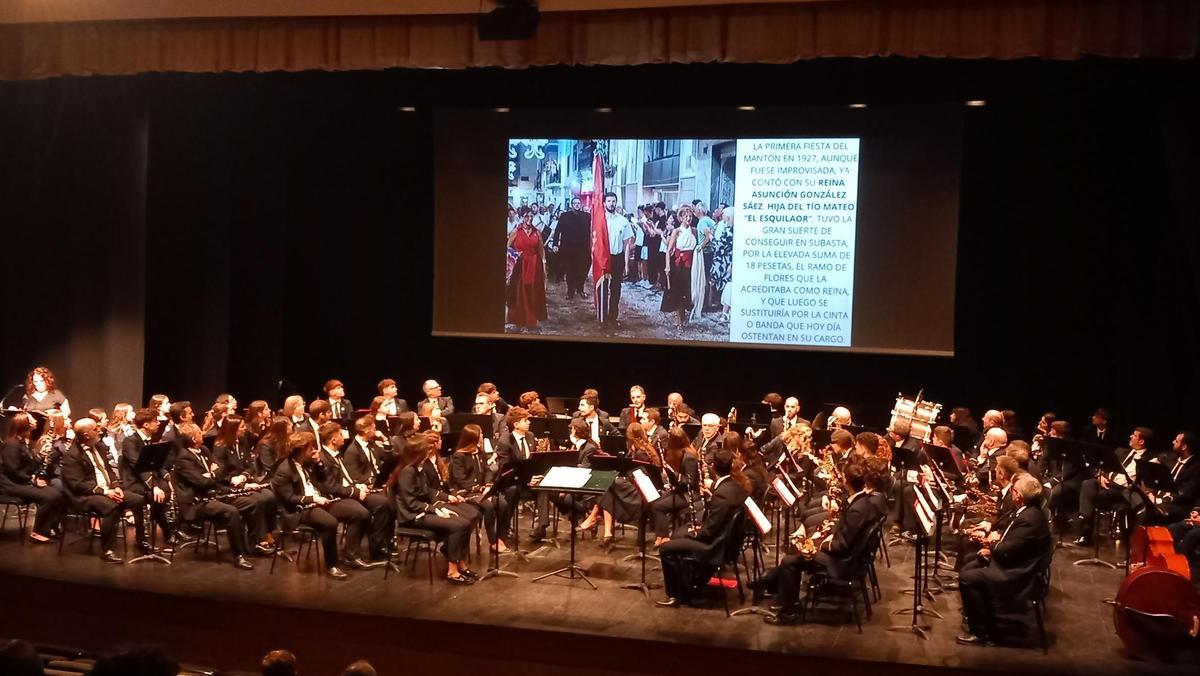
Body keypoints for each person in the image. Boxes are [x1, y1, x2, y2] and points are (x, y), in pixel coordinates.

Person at [759, 457, 885, 624]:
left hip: (843, 562)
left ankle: (788, 611)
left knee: (790, 560)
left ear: (847, 482)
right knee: (795, 555)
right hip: (849, 556)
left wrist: (819, 544)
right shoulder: (864, 502)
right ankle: (781, 595)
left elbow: (842, 546)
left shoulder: (857, 509)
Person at [956, 474, 1052, 646]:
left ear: (1018, 496)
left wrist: (992, 544)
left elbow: (1007, 550)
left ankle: (982, 633)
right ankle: (979, 615)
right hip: (1016, 563)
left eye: (1014, 490)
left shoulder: (1029, 520)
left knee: (966, 578)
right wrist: (993, 547)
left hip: (1018, 574)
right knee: (971, 565)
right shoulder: (1029, 511)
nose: (1012, 493)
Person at [656, 448, 749, 607]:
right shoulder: (737, 487)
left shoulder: (722, 494)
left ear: (713, 467)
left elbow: (709, 532)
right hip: (727, 542)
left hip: (714, 546)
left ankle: (676, 595)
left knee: (666, 547)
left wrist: (696, 532)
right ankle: (690, 583)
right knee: (681, 533)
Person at [271, 430, 364, 579]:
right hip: (299, 509)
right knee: (330, 522)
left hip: (319, 501)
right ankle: (332, 564)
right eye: (311, 448)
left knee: (358, 513)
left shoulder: (307, 462)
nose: (315, 450)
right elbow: (289, 498)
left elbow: (322, 480)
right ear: (301, 450)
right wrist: (313, 499)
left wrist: (319, 463)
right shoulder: (284, 470)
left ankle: (351, 556)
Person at [387, 434, 476, 584]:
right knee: (457, 526)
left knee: (466, 522)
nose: (429, 452)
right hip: (411, 517)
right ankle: (452, 571)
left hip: (421, 510)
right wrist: (435, 510)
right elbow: (411, 503)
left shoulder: (417, 468)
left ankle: (458, 560)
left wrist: (444, 499)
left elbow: (427, 491)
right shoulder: (408, 471)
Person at [171, 422, 257, 570]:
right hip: (196, 503)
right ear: (193, 438)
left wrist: (211, 473)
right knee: (232, 511)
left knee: (251, 502)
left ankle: (250, 544)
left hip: (213, 494)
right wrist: (212, 474)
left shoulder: (204, 450)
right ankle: (238, 555)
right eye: (199, 433)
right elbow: (202, 482)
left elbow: (221, 469)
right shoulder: (183, 458)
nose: (202, 434)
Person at [59, 417, 143, 562]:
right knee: (112, 506)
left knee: (139, 500)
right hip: (84, 496)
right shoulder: (71, 456)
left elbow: (109, 470)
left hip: (106, 490)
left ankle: (141, 540)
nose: (99, 431)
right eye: (95, 429)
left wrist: (116, 486)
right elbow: (78, 485)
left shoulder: (99, 447)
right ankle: (107, 550)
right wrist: (105, 492)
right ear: (86, 435)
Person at [314, 422, 388, 566]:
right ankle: (351, 555)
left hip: (347, 492)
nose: (344, 437)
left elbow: (345, 478)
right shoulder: (322, 459)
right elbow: (330, 487)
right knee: (360, 513)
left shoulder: (337, 454)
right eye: (341, 434)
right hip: (333, 499)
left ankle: (376, 548)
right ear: (333, 440)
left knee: (382, 503)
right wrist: (354, 492)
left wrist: (357, 485)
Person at [1075, 427, 1152, 546]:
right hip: (1109, 483)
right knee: (1088, 483)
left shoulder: (1150, 459)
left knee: (1097, 495)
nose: (1131, 436)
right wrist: (1101, 476)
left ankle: (1085, 528)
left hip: (1125, 490)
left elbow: (1143, 482)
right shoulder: (1121, 451)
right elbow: (1105, 467)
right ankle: (1084, 521)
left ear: (1141, 442)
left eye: (1135, 435)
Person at [119, 407, 180, 552]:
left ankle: (167, 532)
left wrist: (167, 477)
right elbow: (139, 466)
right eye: (155, 421)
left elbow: (156, 464)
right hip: (133, 482)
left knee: (165, 491)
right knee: (151, 495)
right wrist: (153, 485)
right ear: (146, 425)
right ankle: (141, 539)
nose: (159, 424)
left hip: (145, 480)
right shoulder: (130, 442)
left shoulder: (149, 441)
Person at [449, 423, 508, 551]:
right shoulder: (459, 455)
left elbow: (487, 471)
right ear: (472, 438)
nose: (482, 436)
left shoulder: (480, 452)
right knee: (488, 506)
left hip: (481, 489)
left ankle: (501, 537)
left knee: (502, 504)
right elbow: (460, 479)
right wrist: (479, 489)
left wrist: (487, 485)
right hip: (465, 491)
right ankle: (493, 542)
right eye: (480, 434)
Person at [651, 426, 703, 548]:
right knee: (655, 500)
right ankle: (660, 534)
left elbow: (691, 482)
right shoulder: (681, 453)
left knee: (659, 507)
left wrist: (674, 475)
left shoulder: (689, 457)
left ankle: (664, 537)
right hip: (681, 491)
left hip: (690, 495)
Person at [506, 205, 548, 330]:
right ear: (521, 217)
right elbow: (508, 248)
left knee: (532, 291)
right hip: (520, 266)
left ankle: (532, 317)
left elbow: (541, 251)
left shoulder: (537, 232)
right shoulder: (516, 232)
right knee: (520, 292)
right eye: (526, 217)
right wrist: (509, 266)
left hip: (534, 265)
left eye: (531, 216)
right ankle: (519, 319)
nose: (529, 219)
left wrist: (544, 267)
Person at [660, 205, 699, 329]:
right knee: (678, 292)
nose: (688, 219)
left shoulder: (694, 231)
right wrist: (667, 266)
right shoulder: (676, 231)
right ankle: (679, 320)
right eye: (686, 216)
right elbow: (669, 250)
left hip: (691, 265)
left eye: (690, 216)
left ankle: (684, 317)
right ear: (681, 218)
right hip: (678, 266)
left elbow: (698, 247)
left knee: (688, 292)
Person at [600, 191, 635, 327]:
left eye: (613, 201)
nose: (611, 203)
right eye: (609, 201)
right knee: (602, 287)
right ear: (604, 203)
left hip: (617, 258)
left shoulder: (623, 221)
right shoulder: (600, 220)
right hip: (604, 258)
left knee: (616, 288)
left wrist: (626, 264)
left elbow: (627, 244)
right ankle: (602, 316)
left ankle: (612, 316)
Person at [553, 197, 592, 300]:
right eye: (575, 203)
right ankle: (570, 292)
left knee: (582, 270)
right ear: (571, 205)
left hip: (583, 249)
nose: (577, 205)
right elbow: (557, 231)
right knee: (570, 271)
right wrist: (555, 244)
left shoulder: (587, 217)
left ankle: (580, 289)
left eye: (579, 203)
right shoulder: (565, 216)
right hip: (568, 249)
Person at [710, 206, 735, 320]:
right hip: (725, 260)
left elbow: (721, 246)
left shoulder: (730, 230)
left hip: (726, 261)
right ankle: (725, 310)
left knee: (726, 283)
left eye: (724, 214)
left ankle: (725, 311)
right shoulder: (728, 227)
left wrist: (711, 238)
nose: (722, 216)